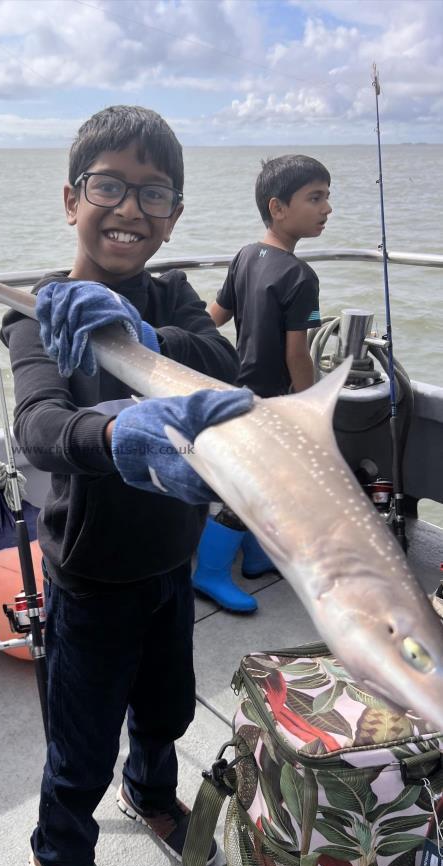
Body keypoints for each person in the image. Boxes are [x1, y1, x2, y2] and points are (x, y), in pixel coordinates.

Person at [0, 105, 247, 866]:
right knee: (81, 735)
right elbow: (38, 426)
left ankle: (148, 794)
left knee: (167, 706)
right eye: (108, 185)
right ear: (71, 199)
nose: (129, 208)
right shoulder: (36, 311)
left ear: (172, 219)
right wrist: (107, 439)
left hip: (171, 555)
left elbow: (224, 364)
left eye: (153, 194)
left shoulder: (172, 298)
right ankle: (60, 849)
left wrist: (141, 331)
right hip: (92, 570)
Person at [193, 154, 332, 613]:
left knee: (270, 486)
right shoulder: (301, 277)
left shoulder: (246, 256)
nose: (327, 209)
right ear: (278, 207)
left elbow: (212, 321)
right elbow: (298, 355)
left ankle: (254, 558)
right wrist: (311, 407)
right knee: (249, 492)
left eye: (326, 197)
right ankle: (210, 573)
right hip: (268, 402)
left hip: (235, 389)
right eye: (315, 198)